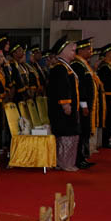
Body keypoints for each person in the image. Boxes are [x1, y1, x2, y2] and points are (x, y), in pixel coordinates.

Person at [46, 37, 81, 171]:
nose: (74, 53)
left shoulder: (66, 66)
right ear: (64, 51)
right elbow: (62, 88)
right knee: (66, 135)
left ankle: (67, 162)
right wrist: (66, 105)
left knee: (70, 135)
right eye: (72, 50)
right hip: (62, 111)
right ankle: (64, 163)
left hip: (69, 109)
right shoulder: (60, 68)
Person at [71, 38, 101, 168]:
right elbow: (81, 86)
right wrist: (83, 104)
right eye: (88, 49)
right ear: (80, 51)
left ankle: (83, 157)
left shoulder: (84, 64)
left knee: (85, 131)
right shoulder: (77, 65)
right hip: (82, 106)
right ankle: (79, 159)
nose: (90, 51)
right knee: (82, 131)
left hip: (87, 104)